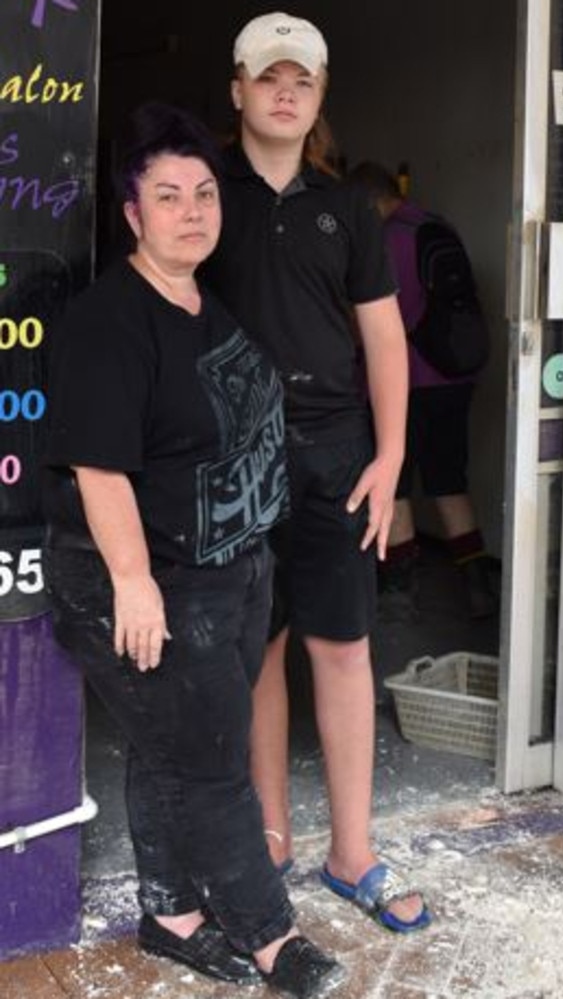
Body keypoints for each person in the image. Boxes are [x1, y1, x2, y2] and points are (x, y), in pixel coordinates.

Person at [41, 101, 345, 999]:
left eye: (204, 192)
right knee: (213, 762)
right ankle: (270, 937)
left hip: (228, 577)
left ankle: (171, 913)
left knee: (169, 747)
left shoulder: (206, 303)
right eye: (167, 195)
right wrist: (134, 586)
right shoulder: (111, 321)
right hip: (146, 580)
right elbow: (98, 468)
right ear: (132, 215)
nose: (192, 210)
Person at [202, 12, 431, 933]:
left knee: (341, 646)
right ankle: (268, 838)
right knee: (255, 646)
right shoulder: (203, 197)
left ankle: (353, 852)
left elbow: (383, 334)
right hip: (229, 453)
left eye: (302, 80)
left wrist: (391, 456)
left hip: (335, 452)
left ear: (319, 97)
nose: (285, 92)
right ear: (239, 90)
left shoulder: (344, 209)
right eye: (268, 78)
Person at [347, 161, 500, 620]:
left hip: (409, 379)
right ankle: (476, 583)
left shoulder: (390, 238)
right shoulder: (435, 226)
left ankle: (398, 589)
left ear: (369, 202)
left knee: (394, 482)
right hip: (455, 377)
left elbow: (381, 322)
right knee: (448, 477)